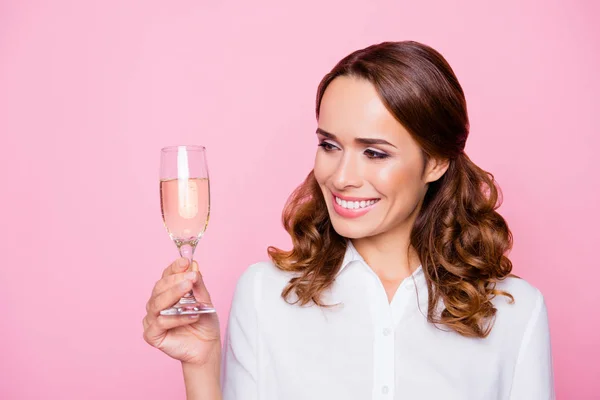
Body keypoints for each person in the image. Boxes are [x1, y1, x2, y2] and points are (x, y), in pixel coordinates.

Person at [142, 41, 555, 400]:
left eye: (374, 153)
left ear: (437, 162)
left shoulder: (515, 314)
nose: (340, 177)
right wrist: (201, 365)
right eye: (329, 145)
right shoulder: (264, 296)